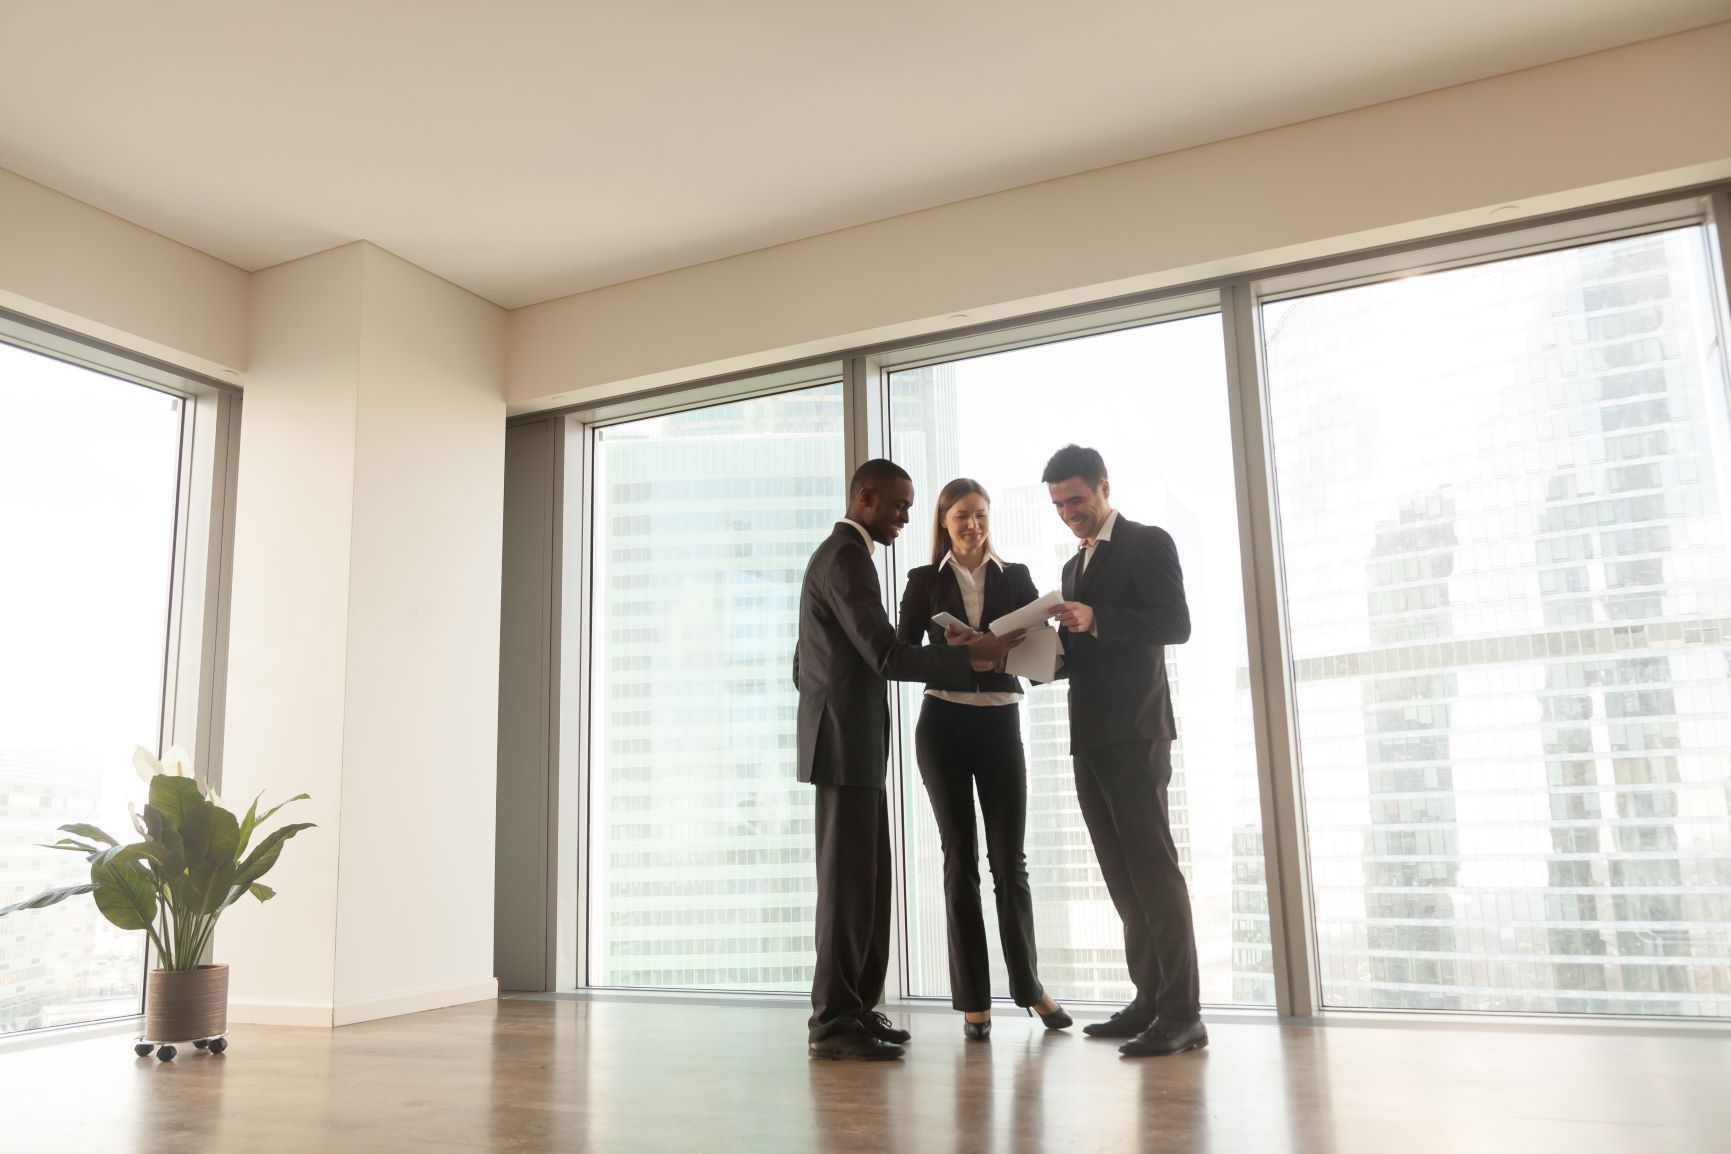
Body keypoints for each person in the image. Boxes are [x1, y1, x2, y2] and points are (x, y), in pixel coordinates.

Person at [795, 458, 1023, 1061]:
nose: (904, 516)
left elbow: (804, 664)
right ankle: (833, 1022)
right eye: (897, 504)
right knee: (848, 889)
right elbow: (887, 656)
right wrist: (972, 659)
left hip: (851, 741)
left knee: (868, 884)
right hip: (845, 745)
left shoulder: (844, 557)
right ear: (864, 496)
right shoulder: (845, 558)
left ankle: (856, 1009)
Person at [1043, 444, 1206, 1057]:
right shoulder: (1070, 568)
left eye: (1076, 501)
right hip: (1089, 735)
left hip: (1137, 732)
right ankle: (1149, 999)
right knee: (1119, 873)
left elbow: (1175, 623)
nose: (1068, 514)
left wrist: (1099, 617)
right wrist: (1043, 655)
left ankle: (1183, 1013)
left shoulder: (1148, 542)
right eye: (1059, 505)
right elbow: (1084, 649)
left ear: (1104, 487)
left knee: (1153, 872)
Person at [896, 478, 1072, 1040]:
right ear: (944, 523)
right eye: (961, 516)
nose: (973, 525)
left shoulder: (1016, 577)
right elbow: (899, 656)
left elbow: (1045, 655)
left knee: (1009, 862)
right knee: (960, 861)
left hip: (999, 720)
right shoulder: (924, 582)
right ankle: (974, 999)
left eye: (980, 515)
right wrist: (952, 653)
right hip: (942, 724)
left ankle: (1028, 987)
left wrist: (1014, 648)